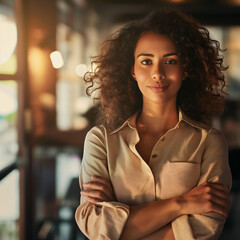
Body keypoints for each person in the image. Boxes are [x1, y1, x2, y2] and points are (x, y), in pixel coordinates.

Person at [75, 8, 232, 240]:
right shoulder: (101, 140)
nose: (157, 73)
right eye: (146, 61)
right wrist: (182, 203)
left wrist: (120, 222)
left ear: (186, 69)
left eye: (170, 61)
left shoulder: (209, 141)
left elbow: (205, 229)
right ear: (132, 70)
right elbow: (95, 226)